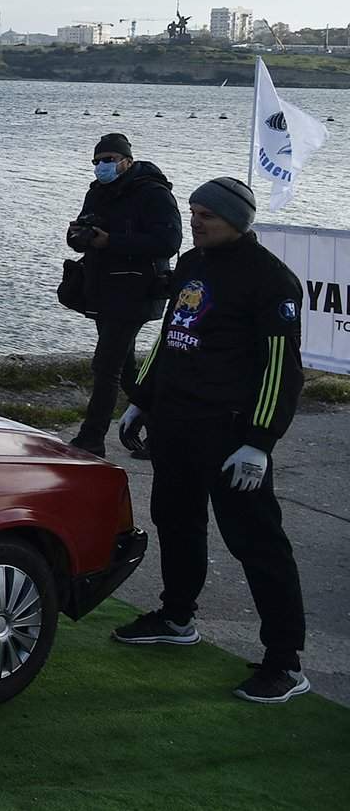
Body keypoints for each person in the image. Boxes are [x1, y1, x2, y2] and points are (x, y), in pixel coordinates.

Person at [111, 177, 309, 704]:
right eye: (193, 212)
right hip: (176, 423)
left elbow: (280, 370)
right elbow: (173, 335)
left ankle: (285, 663)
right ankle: (177, 617)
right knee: (175, 519)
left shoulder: (272, 281)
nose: (195, 222)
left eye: (208, 216)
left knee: (256, 543)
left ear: (238, 222)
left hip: (230, 431)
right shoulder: (192, 265)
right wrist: (141, 400)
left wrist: (260, 442)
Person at [64, 132, 181, 456]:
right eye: (97, 162)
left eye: (109, 160)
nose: (101, 166)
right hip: (104, 289)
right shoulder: (97, 192)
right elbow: (85, 233)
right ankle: (161, 432)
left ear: (127, 161)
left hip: (138, 291)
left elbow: (169, 243)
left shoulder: (154, 194)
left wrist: (111, 241)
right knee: (125, 368)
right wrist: (78, 237)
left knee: (106, 364)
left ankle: (91, 439)